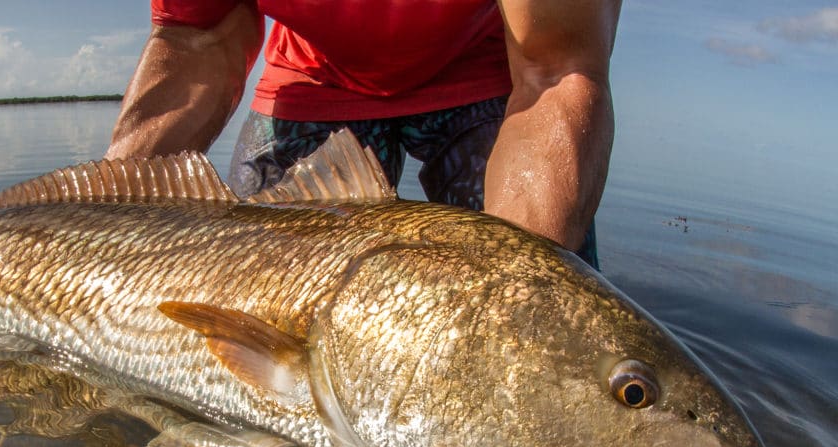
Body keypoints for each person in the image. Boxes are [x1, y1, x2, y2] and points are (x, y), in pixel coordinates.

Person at [106, 1, 621, 268]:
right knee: (254, 287)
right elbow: (200, 34)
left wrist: (518, 295)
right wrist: (96, 225)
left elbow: (555, 70)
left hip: (492, 72)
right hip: (312, 72)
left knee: (547, 287)